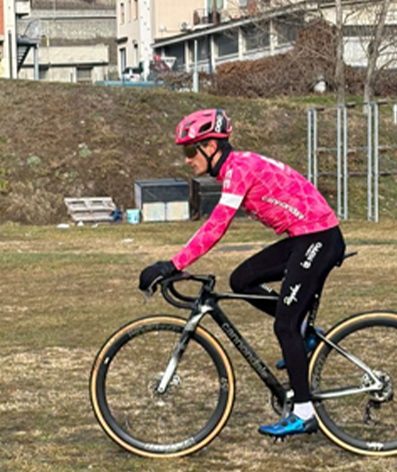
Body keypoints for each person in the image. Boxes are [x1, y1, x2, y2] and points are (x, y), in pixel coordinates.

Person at [138, 108, 346, 438]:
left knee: (284, 325)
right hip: (304, 236)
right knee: (242, 280)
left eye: (191, 151)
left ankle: (305, 412)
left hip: (318, 237)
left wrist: (174, 264)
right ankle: (305, 332)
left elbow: (216, 225)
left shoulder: (239, 169)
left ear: (210, 147)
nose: (187, 160)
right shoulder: (236, 167)